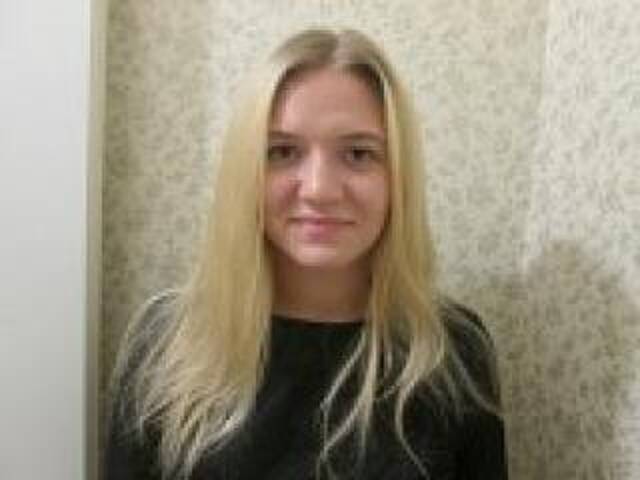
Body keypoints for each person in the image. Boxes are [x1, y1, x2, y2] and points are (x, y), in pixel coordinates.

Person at [105, 28, 508, 479]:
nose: (319, 189)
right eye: (282, 152)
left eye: (358, 154)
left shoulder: (453, 350)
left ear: (398, 177)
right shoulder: (166, 343)